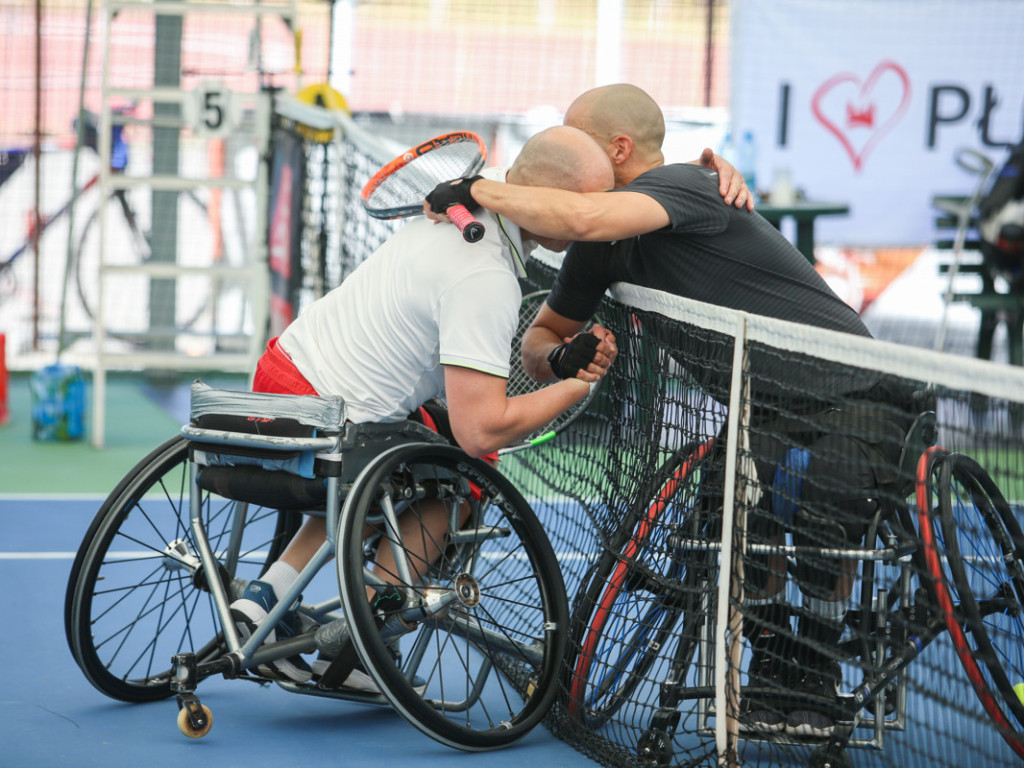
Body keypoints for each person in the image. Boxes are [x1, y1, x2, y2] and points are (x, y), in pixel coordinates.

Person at [424, 83, 917, 739]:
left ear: (619, 149)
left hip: (862, 390)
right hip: (760, 411)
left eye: (577, 137)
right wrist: (567, 359)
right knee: (721, 519)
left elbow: (579, 218)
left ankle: (816, 667)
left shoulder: (688, 183)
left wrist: (476, 190)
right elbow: (538, 343)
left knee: (827, 511)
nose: (561, 150)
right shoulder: (602, 246)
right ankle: (772, 661)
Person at [228, 124, 617, 690]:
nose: (597, 221)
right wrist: (578, 386)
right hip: (332, 427)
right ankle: (362, 646)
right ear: (553, 201)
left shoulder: (449, 216)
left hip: (280, 380)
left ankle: (264, 598)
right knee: (466, 478)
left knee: (415, 439)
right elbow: (482, 430)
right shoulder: (487, 276)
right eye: (590, 207)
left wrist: (555, 362)